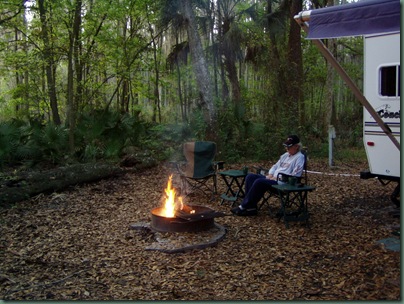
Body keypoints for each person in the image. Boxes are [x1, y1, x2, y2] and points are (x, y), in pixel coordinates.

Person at [231, 135, 305, 216]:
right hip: (273, 179)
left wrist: (277, 177)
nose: (287, 148)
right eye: (286, 146)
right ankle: (251, 208)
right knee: (250, 177)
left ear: (296, 146)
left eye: (289, 146)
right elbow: (275, 166)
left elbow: (295, 175)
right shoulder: (285, 155)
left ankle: (243, 206)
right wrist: (270, 174)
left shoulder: (299, 157)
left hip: (283, 183)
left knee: (259, 182)